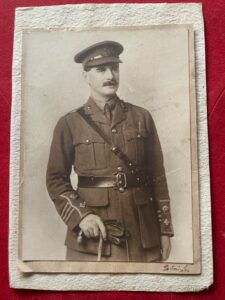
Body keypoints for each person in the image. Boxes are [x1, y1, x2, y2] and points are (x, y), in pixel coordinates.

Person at [46, 41, 174, 262]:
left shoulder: (141, 117)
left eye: (114, 68)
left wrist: (164, 230)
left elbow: (158, 177)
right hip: (95, 237)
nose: (110, 75)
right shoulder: (69, 123)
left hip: (142, 235)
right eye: (101, 69)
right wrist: (82, 217)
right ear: (86, 77)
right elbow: (56, 179)